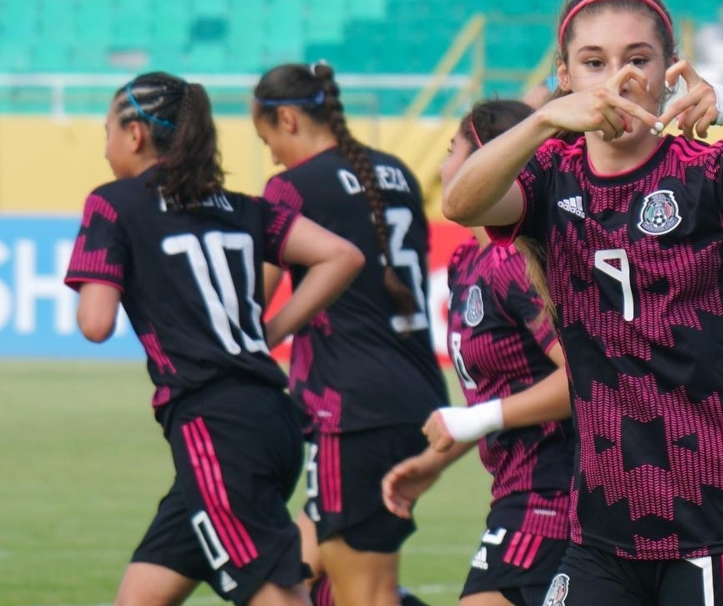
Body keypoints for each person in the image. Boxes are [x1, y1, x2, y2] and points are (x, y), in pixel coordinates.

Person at [440, 0, 723, 606]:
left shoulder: (710, 171)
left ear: (669, 69)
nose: (618, 78)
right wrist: (543, 120)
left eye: (638, 59)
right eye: (593, 62)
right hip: (601, 535)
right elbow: (460, 203)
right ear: (564, 75)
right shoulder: (548, 178)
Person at [65, 72, 365, 606]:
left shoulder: (113, 203)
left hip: (212, 427)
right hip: (267, 420)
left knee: (275, 596)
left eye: (108, 130)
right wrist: (269, 332)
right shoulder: (242, 207)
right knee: (141, 596)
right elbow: (342, 255)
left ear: (135, 135)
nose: (105, 144)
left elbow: (95, 323)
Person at [254, 63, 448, 606]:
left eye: (266, 137)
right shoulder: (396, 173)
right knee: (298, 579)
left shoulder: (290, 188)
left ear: (287, 119)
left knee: (363, 591)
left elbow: (253, 296)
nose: (270, 152)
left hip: (350, 410)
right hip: (416, 397)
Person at [382, 99, 576, 606]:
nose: (444, 167)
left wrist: (475, 420)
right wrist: (434, 462)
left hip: (556, 495)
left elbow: (583, 379)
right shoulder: (469, 259)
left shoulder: (512, 260)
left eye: (453, 151)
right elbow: (506, 385)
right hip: (518, 491)